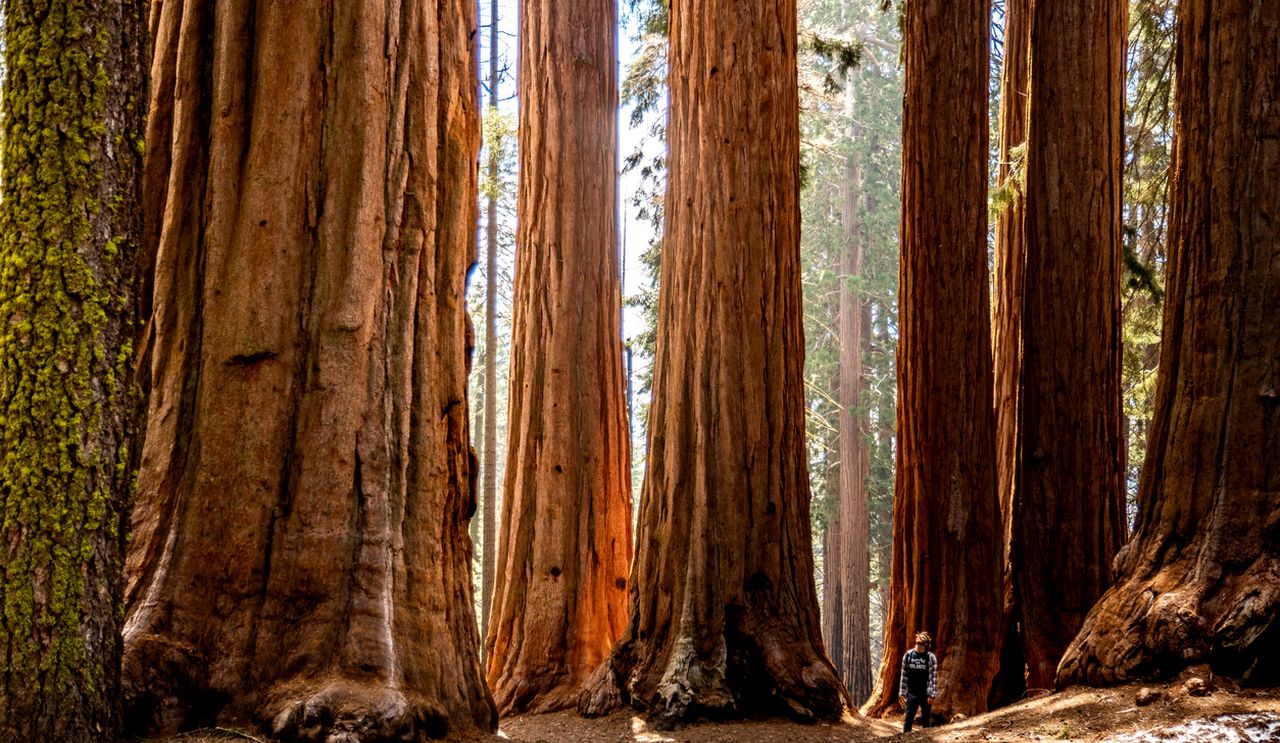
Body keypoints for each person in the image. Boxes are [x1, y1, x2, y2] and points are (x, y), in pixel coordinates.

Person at [898, 631, 938, 732]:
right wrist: (902, 692)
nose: (919, 641)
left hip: (926, 693)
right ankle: (905, 738)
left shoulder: (931, 657)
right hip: (912, 692)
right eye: (918, 640)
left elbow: (933, 677)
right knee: (908, 719)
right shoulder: (908, 655)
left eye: (922, 641)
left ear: (926, 644)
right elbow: (904, 675)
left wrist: (932, 695)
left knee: (926, 721)